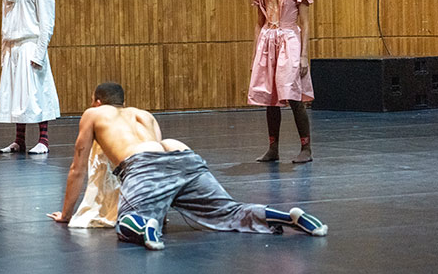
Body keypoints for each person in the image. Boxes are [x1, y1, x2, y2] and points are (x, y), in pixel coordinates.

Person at [48, 82, 328, 250]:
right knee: (228, 212)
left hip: (142, 162)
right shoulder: (143, 115)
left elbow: (78, 167)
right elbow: (163, 171)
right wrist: (161, 206)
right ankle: (286, 216)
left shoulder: (94, 113)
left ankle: (146, 225)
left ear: (97, 101)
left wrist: (66, 214)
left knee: (125, 223)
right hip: (181, 153)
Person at [248, 0, 320, 163]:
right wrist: (255, 54)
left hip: (289, 40)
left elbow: (305, 24)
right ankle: (273, 148)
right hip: (268, 42)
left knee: (293, 94)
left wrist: (303, 55)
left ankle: (306, 148)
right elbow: (259, 24)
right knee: (270, 98)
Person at [0, 0, 60, 154]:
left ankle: (44, 140)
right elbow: (6, 22)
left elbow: (46, 23)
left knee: (37, 92)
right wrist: (4, 51)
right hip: (14, 47)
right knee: (17, 94)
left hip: (31, 44)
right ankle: (19, 140)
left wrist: (39, 53)